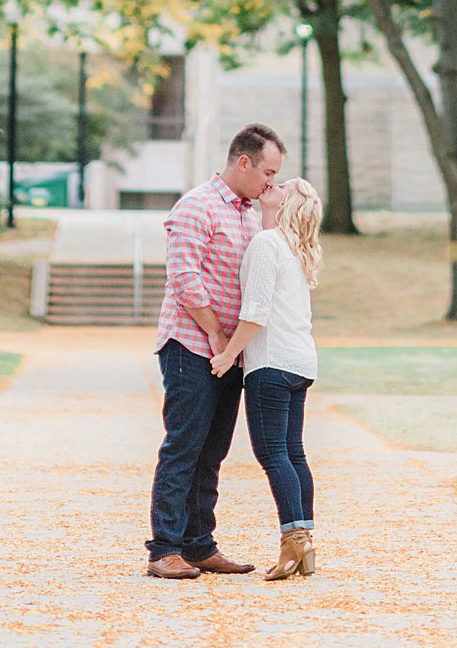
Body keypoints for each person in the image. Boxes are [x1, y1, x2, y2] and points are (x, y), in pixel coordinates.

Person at [145, 123, 286, 580]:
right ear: (242, 161)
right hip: (191, 345)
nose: (271, 182)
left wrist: (233, 345)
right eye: (267, 171)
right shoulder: (197, 206)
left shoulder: (250, 211)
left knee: (213, 451)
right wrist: (215, 335)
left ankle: (200, 544)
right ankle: (164, 549)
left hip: (229, 352)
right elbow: (185, 279)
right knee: (184, 446)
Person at [210, 177, 322, 581]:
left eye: (283, 185)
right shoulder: (294, 247)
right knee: (294, 453)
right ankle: (306, 540)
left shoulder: (265, 245)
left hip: (271, 364)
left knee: (273, 454)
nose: (272, 182)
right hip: (300, 363)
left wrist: (226, 355)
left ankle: (293, 541)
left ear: (288, 202)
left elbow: (254, 311)